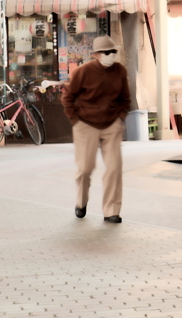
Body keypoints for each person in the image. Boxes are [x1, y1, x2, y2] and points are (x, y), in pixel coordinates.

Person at [61, 35, 131, 223]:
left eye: (113, 51)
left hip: (111, 124)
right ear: (97, 55)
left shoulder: (120, 71)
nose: (111, 55)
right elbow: (68, 97)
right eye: (106, 52)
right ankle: (81, 201)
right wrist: (76, 120)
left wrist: (120, 118)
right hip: (86, 123)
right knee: (85, 168)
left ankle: (111, 211)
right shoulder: (83, 72)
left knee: (115, 168)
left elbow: (126, 99)